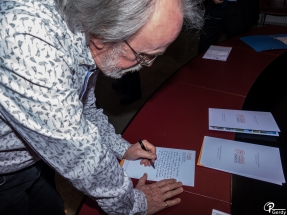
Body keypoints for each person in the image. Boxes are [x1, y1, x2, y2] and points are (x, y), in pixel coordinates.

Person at [0, 0, 202, 214]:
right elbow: (80, 153)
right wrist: (134, 204)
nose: (148, 65)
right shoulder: (29, 44)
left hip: (35, 156)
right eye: (142, 55)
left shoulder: (94, 26)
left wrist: (122, 148)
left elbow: (84, 108)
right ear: (102, 36)